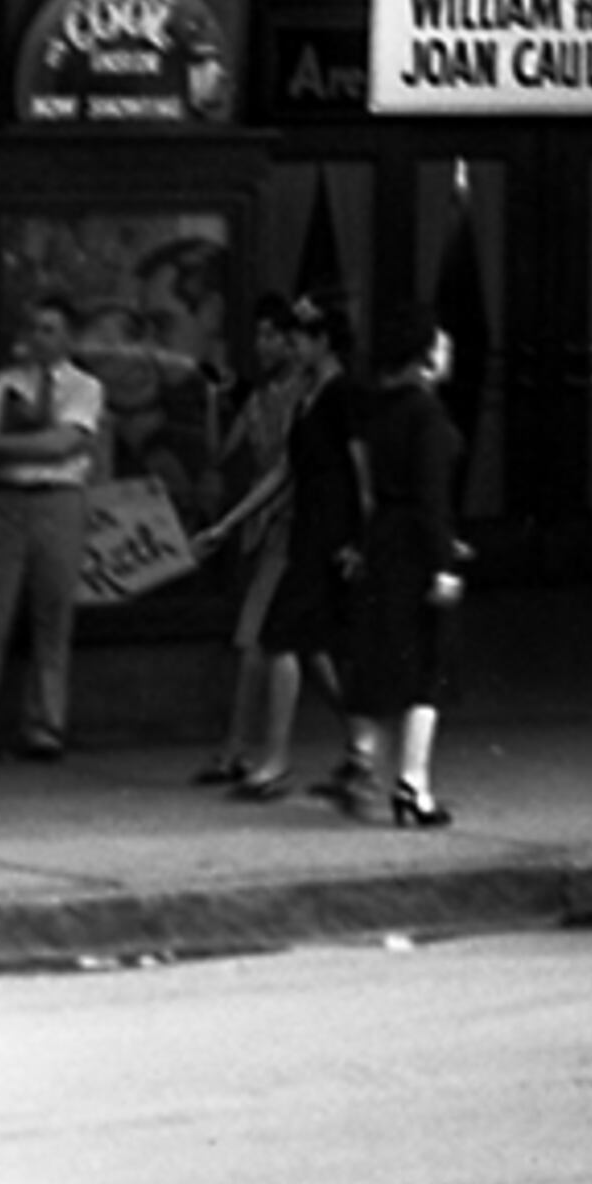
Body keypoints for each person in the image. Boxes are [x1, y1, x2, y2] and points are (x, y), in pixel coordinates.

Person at [0, 295, 100, 768]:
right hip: (8, 503)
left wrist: (4, 445)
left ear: (69, 337)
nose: (40, 337)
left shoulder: (84, 387)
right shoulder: (4, 383)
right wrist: (18, 448)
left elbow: (66, 443)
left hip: (60, 501)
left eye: (51, 329)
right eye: (35, 328)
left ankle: (45, 726)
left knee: (52, 616)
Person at [334, 301, 466, 830]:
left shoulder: (377, 410)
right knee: (426, 670)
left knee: (379, 658)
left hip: (383, 540)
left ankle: (364, 762)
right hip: (415, 547)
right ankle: (414, 784)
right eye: (442, 343)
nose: (448, 351)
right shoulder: (428, 415)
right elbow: (432, 496)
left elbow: (366, 487)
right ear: (425, 357)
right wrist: (444, 562)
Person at [258, 295, 367, 806]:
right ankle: (362, 743)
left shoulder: (343, 394)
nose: (294, 345)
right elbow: (286, 469)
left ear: (324, 341)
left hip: (332, 527)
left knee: (282, 632)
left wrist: (360, 539)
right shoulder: (308, 394)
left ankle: (277, 758)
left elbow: (362, 473)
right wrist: (231, 520)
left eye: (302, 336)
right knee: (313, 644)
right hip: (309, 522)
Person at [191, 296, 301, 793]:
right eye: (258, 336)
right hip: (262, 525)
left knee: (259, 636)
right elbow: (222, 452)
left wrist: (229, 524)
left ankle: (241, 747)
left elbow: (284, 471)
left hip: (286, 523)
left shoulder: (302, 396)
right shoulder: (260, 400)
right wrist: (217, 401)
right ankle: (358, 744)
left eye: (270, 336)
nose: (261, 346)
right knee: (281, 644)